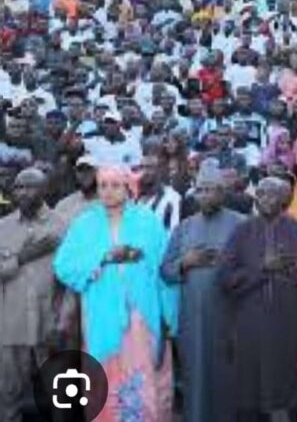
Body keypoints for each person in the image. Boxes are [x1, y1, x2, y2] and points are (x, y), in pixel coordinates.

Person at [53, 165, 178, 422]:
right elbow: (63, 265)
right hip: (101, 313)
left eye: (115, 185)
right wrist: (104, 258)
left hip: (142, 314)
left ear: (128, 189)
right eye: (103, 186)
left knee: (143, 374)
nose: (108, 192)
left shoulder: (148, 222)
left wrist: (169, 315)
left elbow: (165, 270)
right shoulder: (84, 224)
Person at [217, 176, 297, 422]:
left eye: (272, 194)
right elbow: (224, 279)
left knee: (293, 402)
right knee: (250, 402)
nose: (264, 199)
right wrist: (263, 269)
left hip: (291, 335)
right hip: (250, 335)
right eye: (260, 193)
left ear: (286, 199)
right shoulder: (241, 232)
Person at [160, 163, 244, 422]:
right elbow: (165, 270)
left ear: (222, 192)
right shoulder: (184, 227)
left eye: (211, 190)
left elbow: (251, 267)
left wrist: (227, 266)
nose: (205, 195)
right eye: (200, 190)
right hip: (192, 320)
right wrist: (186, 262)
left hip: (229, 318)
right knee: (194, 377)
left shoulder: (240, 224)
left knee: (227, 377)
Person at [0, 168, 66, 422]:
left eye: (30, 186)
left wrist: (64, 321)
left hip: (50, 321)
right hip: (11, 323)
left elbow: (71, 278)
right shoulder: (3, 227)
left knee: (59, 395)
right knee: (8, 394)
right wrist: (23, 257)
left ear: (46, 189)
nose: (22, 193)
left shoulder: (61, 226)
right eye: (18, 187)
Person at [54, 154, 97, 223]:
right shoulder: (64, 205)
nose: (85, 174)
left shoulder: (110, 203)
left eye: (89, 169)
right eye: (80, 170)